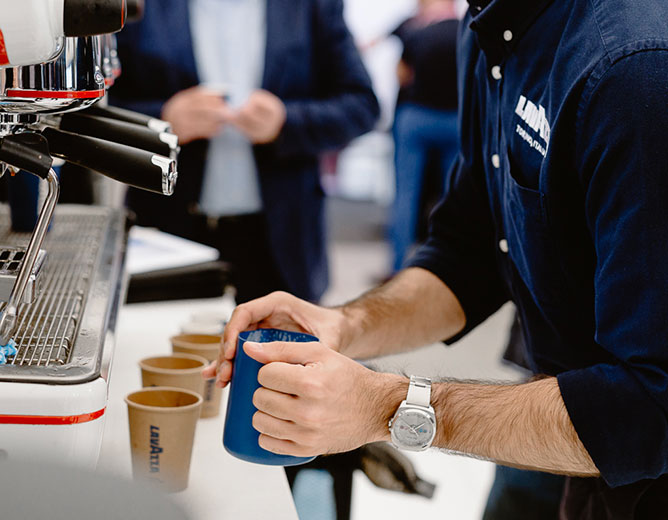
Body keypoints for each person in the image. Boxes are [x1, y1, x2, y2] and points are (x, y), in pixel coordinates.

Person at [204, 0, 668, 517]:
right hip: (563, 427)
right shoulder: (493, 28)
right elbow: (468, 250)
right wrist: (342, 325)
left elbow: (651, 403)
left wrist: (389, 406)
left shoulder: (635, 67)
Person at [108, 0, 379, 304]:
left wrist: (287, 122)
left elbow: (362, 105)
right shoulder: (141, 6)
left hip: (281, 238)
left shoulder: (311, 6)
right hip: (169, 233)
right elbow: (95, 105)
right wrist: (161, 121)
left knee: (282, 349)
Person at [388, 0, 460, 272]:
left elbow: (402, 76)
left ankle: (397, 267)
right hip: (453, 120)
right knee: (452, 196)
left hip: (417, 119)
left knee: (405, 195)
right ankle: (446, 269)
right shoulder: (466, 33)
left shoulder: (417, 33)